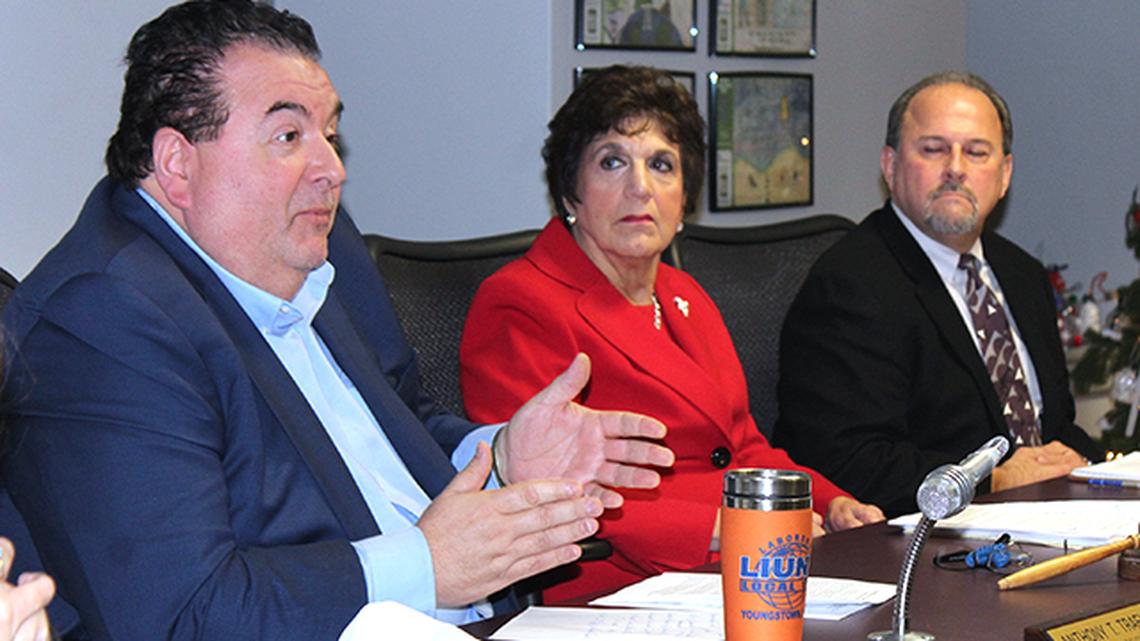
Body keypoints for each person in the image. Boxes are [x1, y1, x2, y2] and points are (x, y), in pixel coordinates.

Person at [0, 3, 675, 640]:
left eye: (328, 132)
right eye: (289, 135)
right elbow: (182, 610)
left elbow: (403, 420)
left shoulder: (325, 244)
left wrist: (499, 457)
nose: (331, 169)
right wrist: (426, 566)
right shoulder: (101, 316)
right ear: (178, 163)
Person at [459, 65, 883, 601]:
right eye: (612, 162)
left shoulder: (685, 294)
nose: (640, 187)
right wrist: (720, 525)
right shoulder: (520, 303)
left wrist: (825, 502)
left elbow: (741, 446)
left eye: (662, 165)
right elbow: (543, 489)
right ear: (570, 194)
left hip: (741, 563)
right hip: (622, 586)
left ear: (684, 201)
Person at [773, 72, 1102, 518]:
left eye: (976, 152)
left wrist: (1079, 462)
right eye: (933, 149)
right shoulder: (851, 285)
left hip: (1049, 523)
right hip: (932, 546)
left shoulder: (1021, 274)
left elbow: (1055, 425)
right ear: (890, 167)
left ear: (1004, 174)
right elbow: (848, 460)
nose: (956, 168)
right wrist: (994, 481)